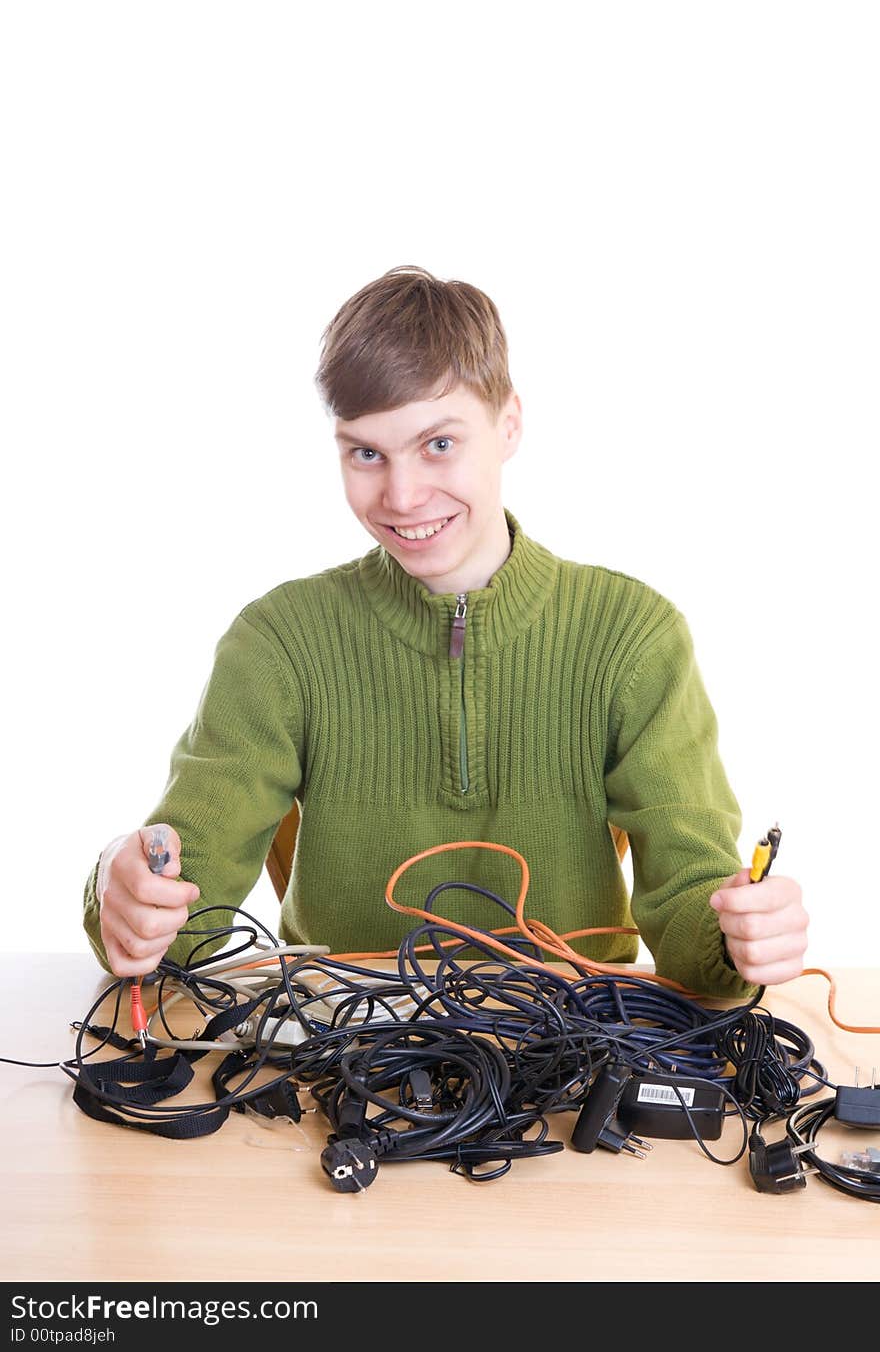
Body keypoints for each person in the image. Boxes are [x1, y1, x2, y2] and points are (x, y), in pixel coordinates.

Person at [82, 265, 808, 997]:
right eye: (366, 453)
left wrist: (737, 939)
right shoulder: (278, 644)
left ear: (510, 424)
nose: (400, 496)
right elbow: (181, 915)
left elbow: (693, 908)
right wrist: (124, 885)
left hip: (573, 1045)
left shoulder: (634, 637)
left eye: (437, 445)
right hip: (341, 1058)